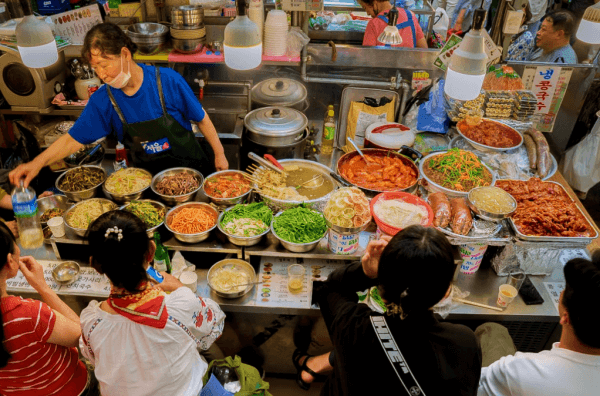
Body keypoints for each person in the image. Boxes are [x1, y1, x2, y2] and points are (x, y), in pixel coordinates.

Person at [9, 23, 228, 188]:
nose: (101, 75)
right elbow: (72, 139)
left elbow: (201, 118)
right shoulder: (103, 100)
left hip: (193, 174)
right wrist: (36, 164)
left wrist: (219, 154)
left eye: (104, 65)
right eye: (96, 68)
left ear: (124, 54)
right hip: (146, 186)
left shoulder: (168, 80)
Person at [293, 226, 482, 395]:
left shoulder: (353, 327)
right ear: (446, 292)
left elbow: (330, 288)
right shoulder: (464, 343)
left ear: (381, 290)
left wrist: (365, 273)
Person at [80, 210, 225, 396]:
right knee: (211, 350)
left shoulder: (91, 322)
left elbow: (93, 358)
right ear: (151, 252)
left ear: (96, 266)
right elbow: (216, 325)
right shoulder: (178, 307)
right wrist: (180, 287)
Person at [477, 251, 600, 395]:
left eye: (564, 289)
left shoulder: (519, 371)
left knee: (491, 330)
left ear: (565, 317)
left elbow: (469, 385)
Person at [0, 222, 91, 395]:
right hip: (70, 389)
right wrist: (43, 287)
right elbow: (82, 335)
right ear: (10, 262)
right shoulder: (29, 315)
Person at [359, 0, 428, 48]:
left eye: (365, 8)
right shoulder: (411, 16)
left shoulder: (373, 24)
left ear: (375, 3)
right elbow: (423, 50)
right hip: (410, 67)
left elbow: (367, 58)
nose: (367, 13)